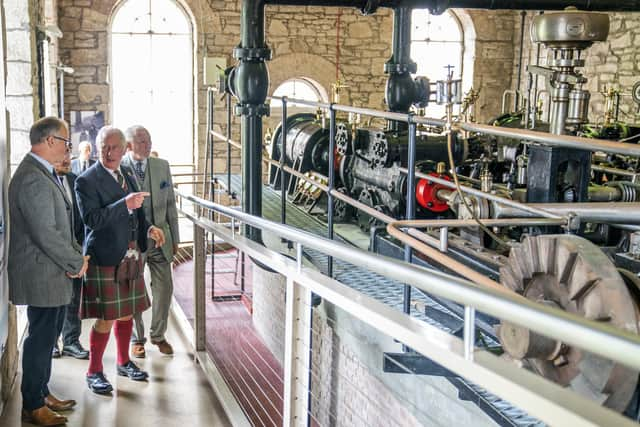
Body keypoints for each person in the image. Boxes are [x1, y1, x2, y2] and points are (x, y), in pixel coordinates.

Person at [8, 116, 89, 426]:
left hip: (52, 271)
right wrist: (75, 262)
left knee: (49, 335)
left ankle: (41, 392)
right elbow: (46, 233)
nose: (68, 150)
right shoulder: (31, 177)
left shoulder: (45, 172)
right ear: (50, 141)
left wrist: (73, 258)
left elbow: (59, 226)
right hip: (42, 272)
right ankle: (32, 405)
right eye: (66, 143)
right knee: (41, 339)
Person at [75, 126, 165, 395]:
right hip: (105, 255)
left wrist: (149, 228)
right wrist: (124, 204)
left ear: (125, 149)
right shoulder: (86, 180)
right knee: (105, 318)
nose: (108, 152)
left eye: (114, 147)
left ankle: (124, 362)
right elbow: (92, 220)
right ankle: (93, 372)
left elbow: (137, 210)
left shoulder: (125, 172)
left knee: (126, 313)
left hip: (131, 254)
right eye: (104, 146)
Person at [123, 126, 179, 358]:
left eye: (149, 140)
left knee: (165, 288)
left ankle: (159, 335)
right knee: (135, 289)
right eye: (142, 142)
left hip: (161, 239)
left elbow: (170, 205)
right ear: (129, 146)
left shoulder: (161, 166)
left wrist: (175, 237)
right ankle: (138, 339)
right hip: (134, 241)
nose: (148, 145)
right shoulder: (120, 168)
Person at [52, 148, 90, 360]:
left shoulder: (75, 180)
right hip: (52, 253)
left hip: (75, 251)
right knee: (52, 302)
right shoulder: (43, 182)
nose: (67, 160)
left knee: (74, 299)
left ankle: (71, 341)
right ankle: (51, 343)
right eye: (62, 155)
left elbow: (82, 218)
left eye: (69, 155)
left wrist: (80, 252)